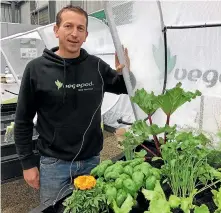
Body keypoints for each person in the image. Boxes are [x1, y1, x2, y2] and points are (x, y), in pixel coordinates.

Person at [14, 5, 133, 206]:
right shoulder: (36, 69)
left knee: (89, 208)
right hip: (53, 163)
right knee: (53, 209)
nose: (74, 33)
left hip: (91, 161)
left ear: (86, 35)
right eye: (68, 26)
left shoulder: (96, 66)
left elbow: (124, 87)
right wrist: (27, 164)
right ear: (56, 30)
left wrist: (124, 72)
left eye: (80, 28)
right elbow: (23, 119)